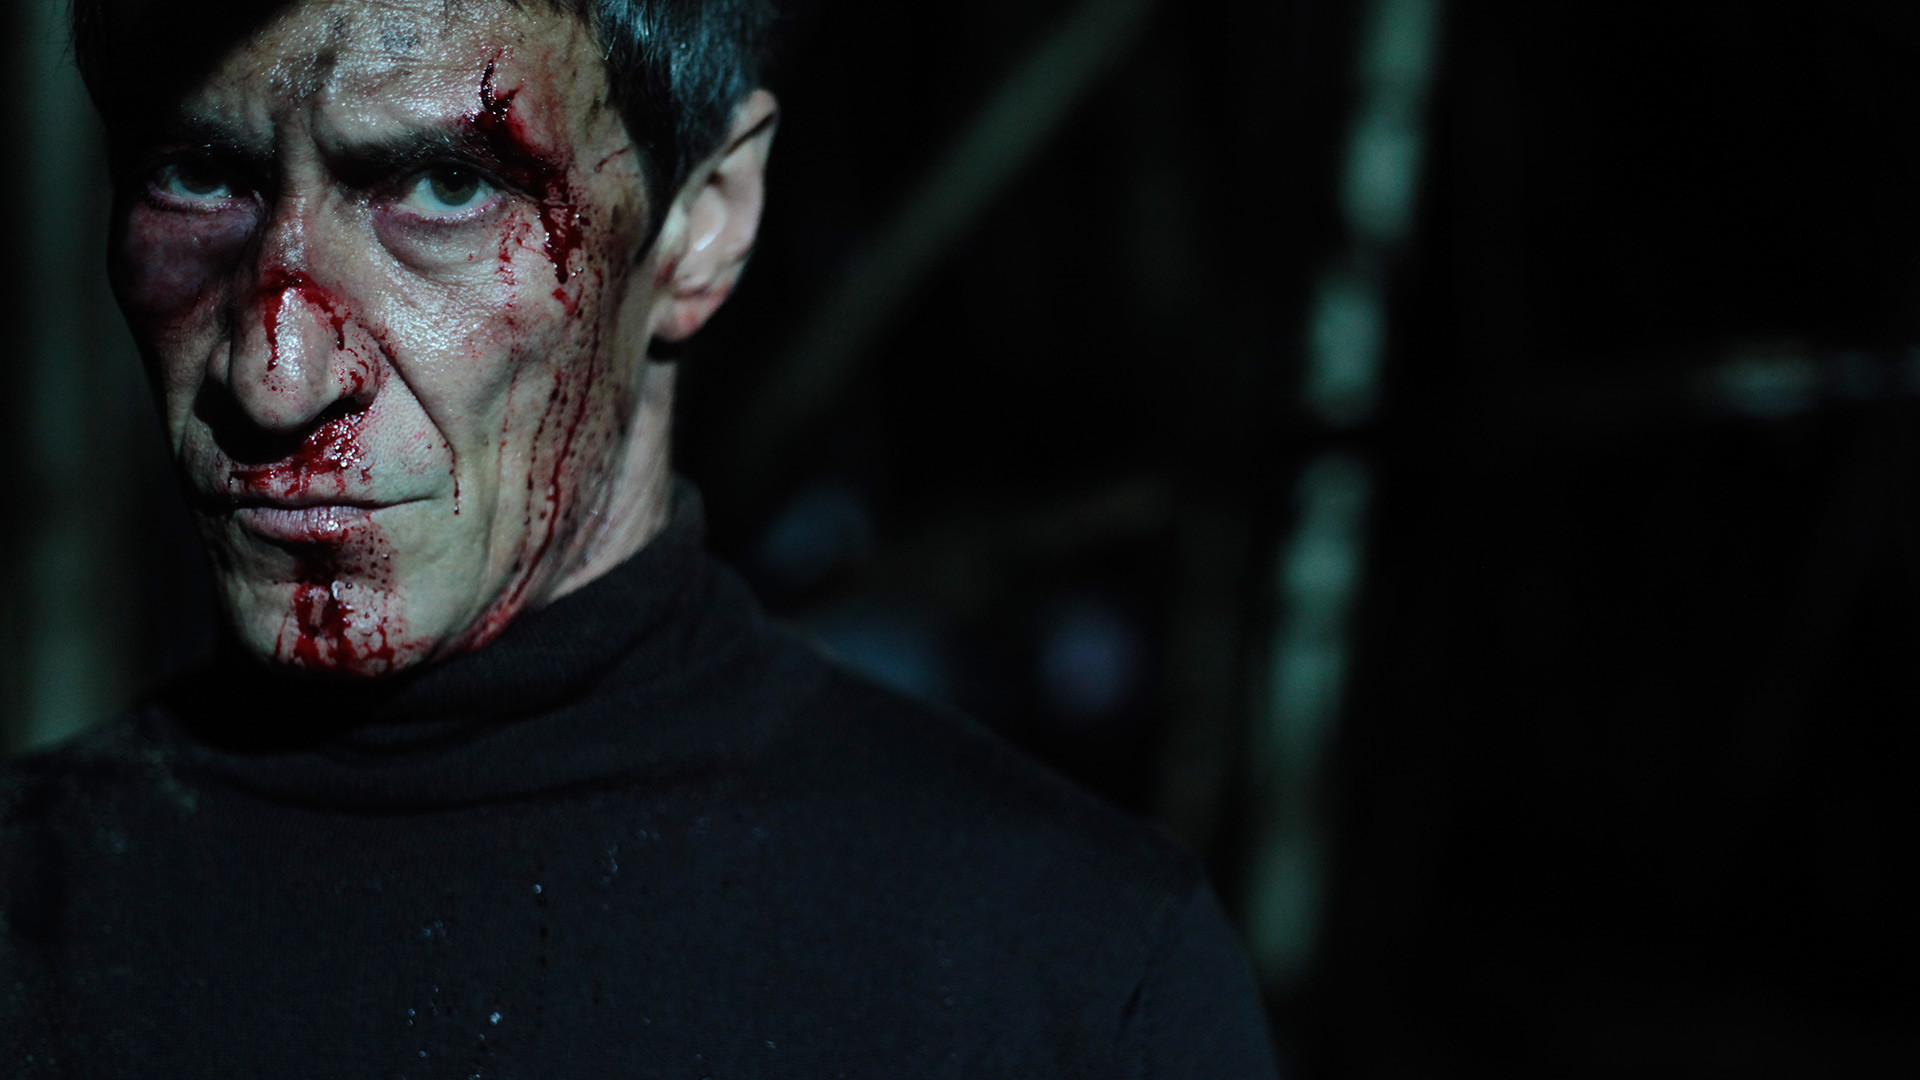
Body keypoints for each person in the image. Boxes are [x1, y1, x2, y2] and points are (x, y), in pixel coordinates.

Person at [0, 0, 1280, 1073]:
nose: (275, 379)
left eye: (446, 186)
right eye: (199, 176)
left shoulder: (1062, 971)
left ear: (703, 218)